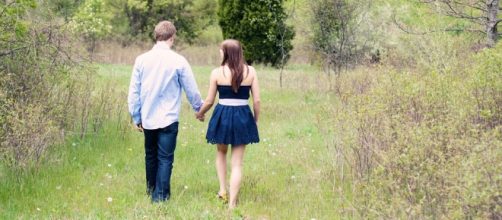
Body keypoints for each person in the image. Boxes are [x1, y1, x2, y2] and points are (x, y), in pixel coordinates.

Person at [127, 20, 203, 202]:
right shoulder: (179, 61)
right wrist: (199, 108)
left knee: (150, 155)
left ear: (156, 36)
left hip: (148, 116)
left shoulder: (141, 60)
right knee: (165, 158)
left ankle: (151, 190)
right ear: (172, 37)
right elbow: (191, 88)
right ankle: (160, 197)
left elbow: (134, 91)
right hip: (169, 118)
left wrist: (136, 115)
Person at [196, 39, 260, 209]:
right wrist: (255, 120)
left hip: (223, 115)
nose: (219, 53)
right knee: (237, 163)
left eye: (221, 50)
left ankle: (223, 190)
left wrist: (200, 113)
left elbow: (209, 100)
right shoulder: (251, 71)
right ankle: (232, 204)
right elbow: (257, 101)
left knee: (221, 153)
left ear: (226, 53)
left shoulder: (217, 73)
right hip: (243, 116)